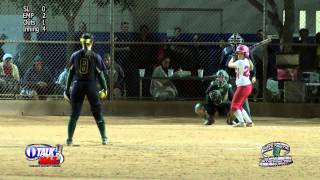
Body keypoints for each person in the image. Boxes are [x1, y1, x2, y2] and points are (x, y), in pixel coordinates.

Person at [64, 33, 108, 145]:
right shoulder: (95, 56)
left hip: (77, 85)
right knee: (97, 112)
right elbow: (100, 75)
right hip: (91, 85)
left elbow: (70, 73)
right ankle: (104, 138)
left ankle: (69, 140)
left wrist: (67, 88)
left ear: (81, 42)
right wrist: (105, 88)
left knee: (74, 114)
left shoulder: (75, 55)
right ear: (92, 43)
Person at [228, 44, 254, 127]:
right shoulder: (247, 61)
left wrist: (232, 57)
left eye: (241, 53)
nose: (239, 54)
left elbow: (229, 64)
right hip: (247, 86)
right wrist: (237, 55)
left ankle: (241, 122)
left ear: (245, 54)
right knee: (239, 106)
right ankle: (249, 122)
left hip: (243, 87)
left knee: (233, 106)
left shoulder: (239, 62)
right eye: (238, 53)